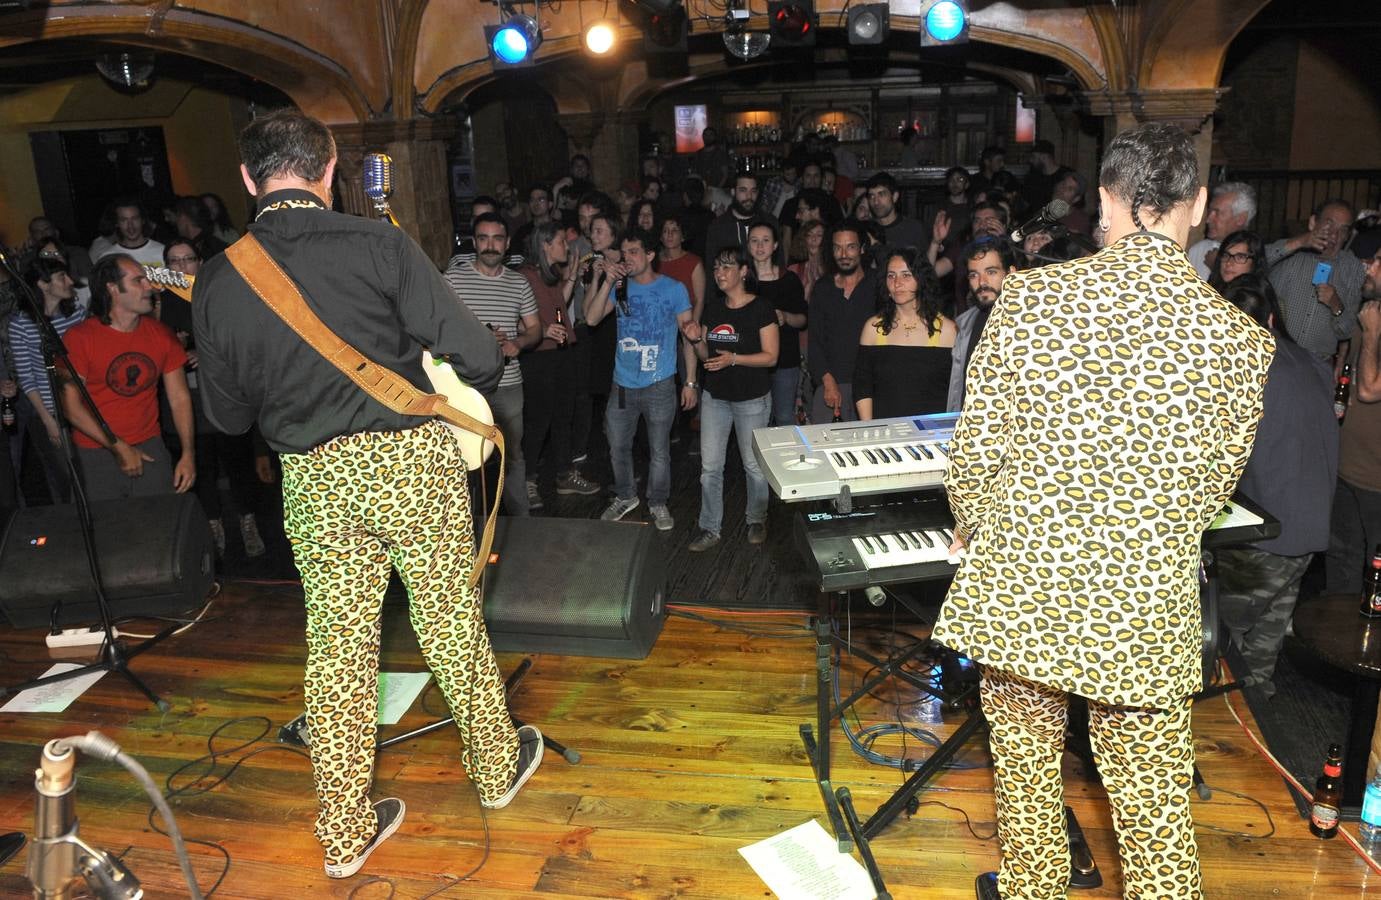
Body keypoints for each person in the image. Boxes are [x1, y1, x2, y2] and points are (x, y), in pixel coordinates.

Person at [192, 108, 542, 880]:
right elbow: (482, 355)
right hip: (408, 464)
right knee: (448, 617)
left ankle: (345, 835)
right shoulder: (379, 244)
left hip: (314, 480)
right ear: (328, 172)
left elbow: (224, 417)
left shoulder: (219, 278)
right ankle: (494, 770)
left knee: (340, 650)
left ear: (249, 180)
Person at [936, 122, 1274, 900]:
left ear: (1102, 202)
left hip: (1024, 591)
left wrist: (976, 525)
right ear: (1193, 204)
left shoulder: (1030, 296)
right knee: (1154, 818)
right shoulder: (1235, 338)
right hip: (1142, 607)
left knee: (1025, 788)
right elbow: (1213, 487)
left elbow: (978, 452)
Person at [1216, 275, 1336, 697]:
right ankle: (1257, 705)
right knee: (1267, 636)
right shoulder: (1310, 359)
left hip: (1265, 531)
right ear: (1269, 317)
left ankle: (1224, 724)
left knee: (1220, 633)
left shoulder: (1242, 368)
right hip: (1310, 525)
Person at [156, 240, 266, 557]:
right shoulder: (159, 302)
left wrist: (205, 353)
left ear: (201, 262)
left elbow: (242, 342)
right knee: (200, 467)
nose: (181, 267)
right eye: (173, 261)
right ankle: (213, 528)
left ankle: (249, 523)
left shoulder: (216, 296)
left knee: (237, 464)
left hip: (224, 396)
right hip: (184, 399)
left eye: (187, 259)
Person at [60, 254, 196, 501]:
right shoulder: (79, 338)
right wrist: (118, 445)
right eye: (138, 281)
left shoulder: (161, 335)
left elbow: (179, 398)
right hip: (95, 451)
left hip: (150, 446)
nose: (149, 287)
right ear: (112, 288)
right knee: (108, 531)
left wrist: (188, 453)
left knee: (158, 528)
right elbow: (69, 405)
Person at [586, 227, 696, 531]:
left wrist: (690, 382)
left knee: (659, 449)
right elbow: (593, 319)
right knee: (617, 444)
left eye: (634, 252)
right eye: (625, 253)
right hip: (622, 383)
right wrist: (608, 279)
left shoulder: (673, 289)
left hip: (660, 382)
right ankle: (626, 495)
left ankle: (658, 501)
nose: (628, 258)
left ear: (650, 255)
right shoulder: (619, 287)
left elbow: (688, 335)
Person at [682, 246, 779, 551]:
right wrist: (697, 339)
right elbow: (706, 354)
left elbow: (771, 357)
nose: (720, 273)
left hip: (752, 399)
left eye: (726, 267)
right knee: (710, 467)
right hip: (716, 397)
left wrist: (734, 359)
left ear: (743, 272)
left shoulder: (761, 308)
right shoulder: (713, 308)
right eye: (716, 268)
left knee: (753, 465)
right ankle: (710, 527)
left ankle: (757, 519)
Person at [444, 212, 540, 517]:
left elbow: (535, 329)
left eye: (497, 239)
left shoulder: (518, 283)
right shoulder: (453, 279)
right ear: (474, 242)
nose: (490, 245)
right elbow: (437, 328)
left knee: (511, 455)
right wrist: (477, 337)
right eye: (483, 238)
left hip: (508, 383)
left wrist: (518, 343)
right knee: (464, 459)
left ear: (507, 243)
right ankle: (467, 531)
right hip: (464, 386)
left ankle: (522, 529)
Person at [518, 220, 600, 510]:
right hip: (540, 356)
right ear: (545, 245)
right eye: (562, 241)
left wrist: (573, 277)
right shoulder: (524, 276)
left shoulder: (550, 275)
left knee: (564, 417)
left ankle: (564, 475)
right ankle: (527, 481)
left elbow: (560, 308)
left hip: (563, 352)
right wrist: (543, 328)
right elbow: (514, 317)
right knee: (538, 421)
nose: (566, 246)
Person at [1327, 246, 1381, 596]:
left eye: (1379, 263)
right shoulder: (1369, 312)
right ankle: (1336, 643)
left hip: (1377, 479)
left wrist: (1373, 335)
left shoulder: (1372, 322)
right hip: (1346, 466)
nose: (1369, 268)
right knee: (1341, 561)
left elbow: (1369, 389)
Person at [11, 258, 87, 502]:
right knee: (66, 477)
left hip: (81, 405)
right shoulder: (21, 324)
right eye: (61, 277)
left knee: (88, 473)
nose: (70, 282)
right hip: (50, 410)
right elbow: (27, 377)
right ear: (43, 285)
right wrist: (47, 419)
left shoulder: (76, 313)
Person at [854, 248, 954, 420]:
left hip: (932, 435)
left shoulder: (947, 330)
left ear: (921, 279)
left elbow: (957, 390)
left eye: (906, 275)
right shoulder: (873, 328)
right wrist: (869, 429)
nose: (897, 283)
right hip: (885, 433)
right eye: (891, 276)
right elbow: (863, 387)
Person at [1266, 198, 1366, 363]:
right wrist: (1300, 241)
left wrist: (1336, 305)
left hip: (1317, 364)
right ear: (1313, 223)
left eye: (1343, 230)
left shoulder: (1352, 268)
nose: (1334, 234)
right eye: (1329, 224)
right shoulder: (1290, 253)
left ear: (1348, 236)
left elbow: (1346, 331)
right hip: (1276, 356)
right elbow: (1253, 260)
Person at [807, 222, 877, 423]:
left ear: (862, 249)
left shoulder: (878, 284)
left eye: (851, 247)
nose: (844, 254)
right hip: (830, 384)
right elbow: (815, 342)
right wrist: (827, 381)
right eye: (837, 247)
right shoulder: (822, 288)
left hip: (871, 385)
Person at [746, 221, 807, 426]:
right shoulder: (742, 280)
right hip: (751, 360)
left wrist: (785, 317)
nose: (760, 246)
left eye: (765, 241)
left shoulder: (789, 280)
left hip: (785, 360)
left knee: (783, 417)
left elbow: (803, 319)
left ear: (775, 246)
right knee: (755, 420)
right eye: (754, 241)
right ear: (747, 245)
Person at [947, 237, 1018, 412]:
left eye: (991, 272)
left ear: (1011, 274)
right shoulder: (965, 324)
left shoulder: (1029, 323)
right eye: (974, 275)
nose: (982, 282)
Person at [1186, 181, 1257, 279]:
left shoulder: (1254, 256)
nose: (1208, 220)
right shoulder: (1199, 250)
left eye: (1217, 213)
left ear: (1240, 219)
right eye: (1210, 211)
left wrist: (1216, 267)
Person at [94, 199, 165, 268]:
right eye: (124, 220)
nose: (130, 225)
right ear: (117, 223)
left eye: (134, 218)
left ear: (143, 220)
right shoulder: (108, 258)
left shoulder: (162, 251)